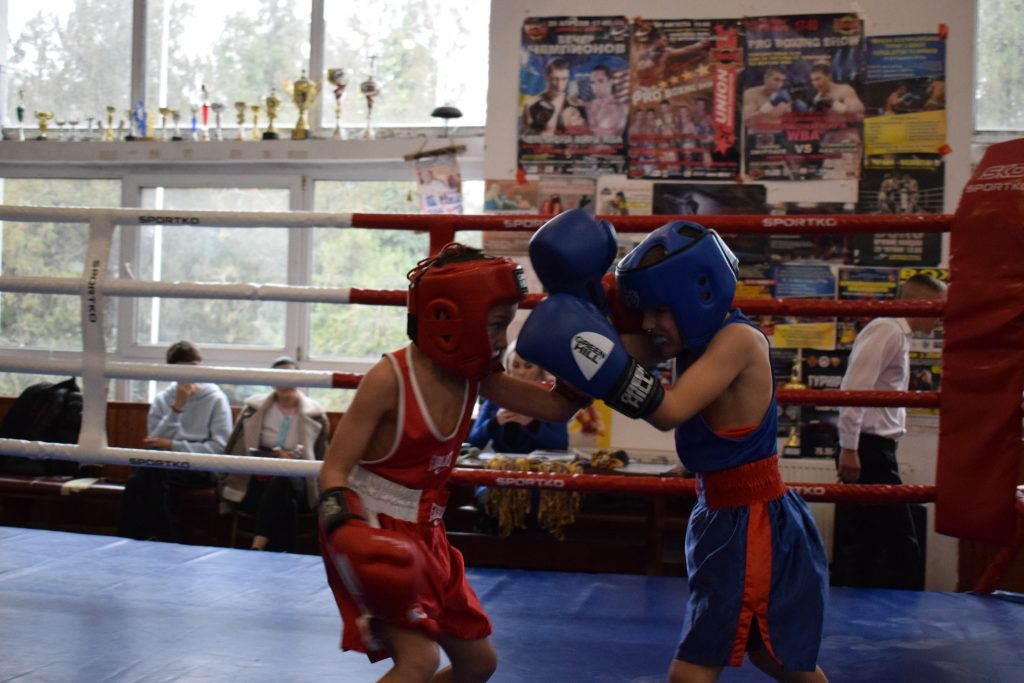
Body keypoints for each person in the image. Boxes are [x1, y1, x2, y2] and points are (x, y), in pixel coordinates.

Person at [517, 213, 829, 682]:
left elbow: (669, 411)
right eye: (644, 311)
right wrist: (481, 375)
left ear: (699, 293)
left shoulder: (738, 340)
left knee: (694, 671)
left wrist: (602, 354)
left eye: (659, 310)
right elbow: (560, 405)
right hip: (720, 514)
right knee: (772, 657)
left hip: (751, 520)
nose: (649, 324)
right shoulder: (687, 342)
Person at [315, 242, 582, 681]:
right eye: (497, 325)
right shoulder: (389, 379)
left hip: (429, 528)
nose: (503, 340)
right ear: (453, 317)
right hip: (374, 524)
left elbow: (556, 408)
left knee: (478, 664)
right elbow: (333, 470)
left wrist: (589, 357)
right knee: (419, 660)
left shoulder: (477, 376)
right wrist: (347, 530)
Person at [834, 273, 947, 590]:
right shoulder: (887, 329)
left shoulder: (898, 333)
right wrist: (850, 448)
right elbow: (855, 387)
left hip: (874, 448)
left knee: (867, 544)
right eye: (939, 307)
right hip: (868, 449)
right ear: (920, 303)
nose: (942, 317)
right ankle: (893, 618)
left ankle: (857, 615)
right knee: (901, 547)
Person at [119, 340, 233, 542]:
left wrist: (173, 445)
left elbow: (219, 448)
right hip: (165, 466)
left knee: (141, 478)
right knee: (145, 476)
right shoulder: (163, 399)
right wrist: (177, 408)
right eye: (182, 369)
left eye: (194, 367)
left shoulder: (216, 398)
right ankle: (158, 537)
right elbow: (153, 442)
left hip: (199, 467)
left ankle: (145, 538)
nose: (189, 374)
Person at [220, 356, 330, 552]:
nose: (285, 383)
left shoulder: (316, 416)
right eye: (279, 377)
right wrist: (271, 456)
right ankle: (288, 555)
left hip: (299, 483)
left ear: (300, 380)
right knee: (286, 502)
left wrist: (291, 459)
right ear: (271, 382)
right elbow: (233, 447)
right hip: (255, 482)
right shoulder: (253, 410)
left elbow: (323, 458)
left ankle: (257, 547)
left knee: (284, 480)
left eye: (290, 377)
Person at [468, 341, 569, 454]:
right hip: (500, 461)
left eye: (528, 366)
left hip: (536, 462)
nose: (521, 372)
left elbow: (562, 445)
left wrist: (531, 424)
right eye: (516, 366)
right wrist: (496, 421)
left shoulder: (551, 399)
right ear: (508, 368)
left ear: (540, 369)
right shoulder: (495, 396)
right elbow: (474, 441)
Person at [521, 57, 588, 135]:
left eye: (564, 79)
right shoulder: (531, 105)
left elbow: (584, 136)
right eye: (555, 79)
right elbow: (527, 138)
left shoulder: (575, 104)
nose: (559, 85)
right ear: (546, 77)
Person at [584, 64, 627, 138]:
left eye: (600, 81)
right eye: (593, 82)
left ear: (610, 82)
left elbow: (612, 136)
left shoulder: (617, 107)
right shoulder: (588, 105)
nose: (596, 86)